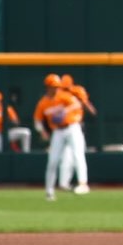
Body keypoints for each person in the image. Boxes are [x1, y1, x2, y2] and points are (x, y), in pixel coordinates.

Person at [32, 74, 84, 202]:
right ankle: (49, 191)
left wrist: (65, 111)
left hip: (71, 127)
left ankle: (83, 184)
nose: (55, 89)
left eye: (57, 86)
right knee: (53, 161)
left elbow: (77, 104)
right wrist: (42, 131)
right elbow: (37, 120)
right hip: (57, 131)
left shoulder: (63, 96)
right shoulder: (43, 103)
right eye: (53, 86)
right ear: (47, 87)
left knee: (78, 155)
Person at [56, 74, 95, 193]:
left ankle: (82, 183)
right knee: (66, 157)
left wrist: (81, 101)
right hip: (62, 127)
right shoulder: (58, 95)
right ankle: (63, 184)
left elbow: (92, 111)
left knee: (78, 155)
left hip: (75, 126)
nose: (65, 90)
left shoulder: (78, 92)